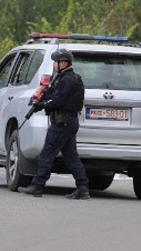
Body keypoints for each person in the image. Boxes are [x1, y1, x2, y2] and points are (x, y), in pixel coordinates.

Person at [18, 48, 89, 200]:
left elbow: (58, 101)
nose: (54, 65)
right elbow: (54, 96)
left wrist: (42, 105)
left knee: (46, 155)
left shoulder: (66, 79)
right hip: (69, 122)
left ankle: (37, 186)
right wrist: (43, 98)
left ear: (63, 63)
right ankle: (83, 188)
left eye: (56, 62)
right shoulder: (69, 78)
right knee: (71, 157)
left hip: (62, 122)